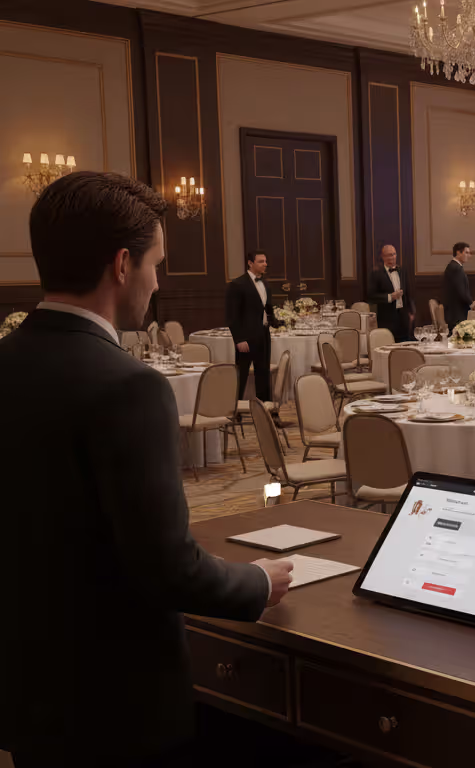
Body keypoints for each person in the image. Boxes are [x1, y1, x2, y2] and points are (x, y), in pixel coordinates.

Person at [0, 171, 293, 767]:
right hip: (113, 703)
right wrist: (260, 581)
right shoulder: (129, 386)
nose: (158, 283)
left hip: (25, 686)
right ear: (122, 264)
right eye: (157, 264)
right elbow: (166, 570)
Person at [226, 250, 279, 402]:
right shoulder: (237, 284)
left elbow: (267, 308)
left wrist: (275, 322)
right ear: (250, 263)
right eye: (261, 261)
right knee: (240, 377)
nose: (265, 264)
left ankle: (267, 414)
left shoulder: (265, 284)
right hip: (246, 339)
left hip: (263, 335)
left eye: (265, 261)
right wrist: (239, 339)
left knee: (263, 375)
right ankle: (233, 414)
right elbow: (232, 316)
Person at [368, 243, 413, 342]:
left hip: (403, 317)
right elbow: (370, 296)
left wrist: (411, 312)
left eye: (394, 254)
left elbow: (408, 293)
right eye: (389, 255)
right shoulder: (376, 273)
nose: (392, 257)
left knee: (405, 345)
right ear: (383, 257)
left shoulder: (402, 271)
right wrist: (390, 297)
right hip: (386, 318)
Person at [441, 241, 472, 334]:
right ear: (458, 253)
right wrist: (471, 303)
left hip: (454, 310)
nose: (469, 255)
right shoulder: (455, 268)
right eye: (466, 252)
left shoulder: (454, 266)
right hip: (456, 311)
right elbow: (461, 291)